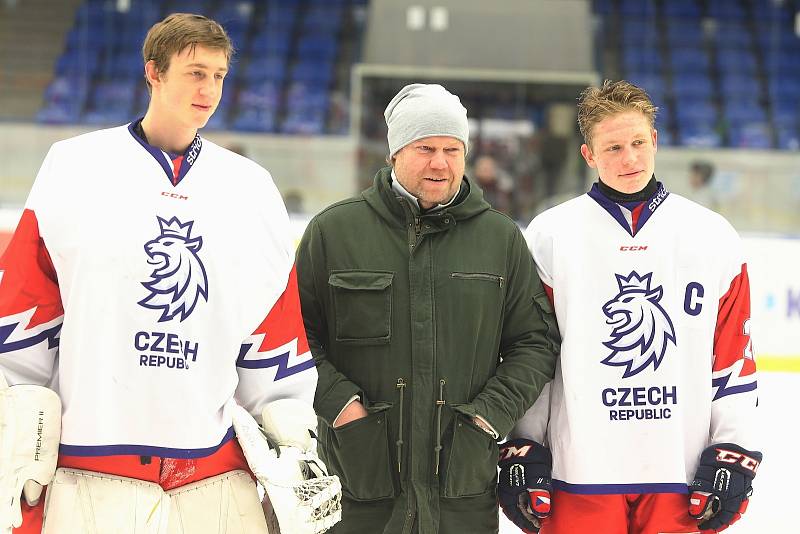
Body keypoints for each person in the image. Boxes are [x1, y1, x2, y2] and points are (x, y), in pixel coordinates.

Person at [0, 13, 325, 534]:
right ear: (153, 72)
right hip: (88, 470)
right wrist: (14, 427)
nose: (210, 89)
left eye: (219, 75)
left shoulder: (250, 189)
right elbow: (26, 310)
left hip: (213, 476)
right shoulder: (74, 167)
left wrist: (291, 430)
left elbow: (273, 322)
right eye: (195, 73)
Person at [498, 80, 761, 534]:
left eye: (638, 142)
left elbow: (733, 357)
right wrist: (525, 444)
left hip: (679, 476)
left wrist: (734, 452)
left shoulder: (712, 235)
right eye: (613, 147)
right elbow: (532, 354)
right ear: (589, 155)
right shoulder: (549, 236)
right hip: (578, 473)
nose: (630, 158)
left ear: (655, 141)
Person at [295, 83, 560, 533]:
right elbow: (295, 339)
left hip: (461, 489)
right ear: (395, 153)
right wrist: (342, 407)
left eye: (452, 149)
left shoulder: (500, 240)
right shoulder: (333, 233)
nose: (440, 162)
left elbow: (534, 343)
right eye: (425, 148)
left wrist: (487, 416)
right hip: (357, 483)